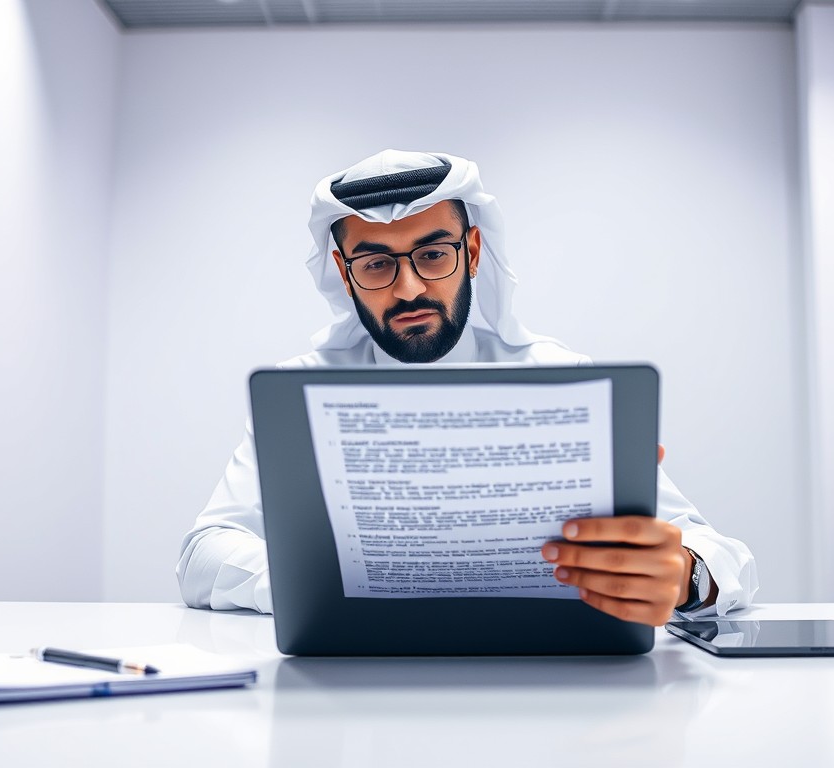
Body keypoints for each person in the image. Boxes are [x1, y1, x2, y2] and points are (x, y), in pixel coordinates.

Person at [177, 150, 758, 627]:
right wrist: (323, 582)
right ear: (343, 270)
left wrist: (684, 575)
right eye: (376, 264)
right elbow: (203, 554)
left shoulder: (560, 379)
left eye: (432, 254)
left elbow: (727, 556)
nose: (407, 289)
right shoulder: (295, 392)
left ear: (472, 252)